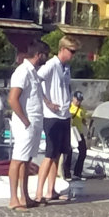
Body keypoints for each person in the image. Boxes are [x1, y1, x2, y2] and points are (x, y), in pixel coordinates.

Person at [7, 40, 52, 210]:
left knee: (26, 160)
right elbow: (12, 98)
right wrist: (25, 120)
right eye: (45, 55)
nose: (46, 60)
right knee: (18, 160)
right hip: (25, 123)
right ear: (39, 55)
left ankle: (24, 196)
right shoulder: (23, 72)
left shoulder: (33, 73)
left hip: (34, 123)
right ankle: (13, 199)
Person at [35, 36, 78, 203]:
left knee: (58, 153)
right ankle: (39, 192)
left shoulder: (66, 67)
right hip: (52, 116)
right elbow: (37, 80)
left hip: (64, 115)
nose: (73, 55)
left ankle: (50, 190)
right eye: (71, 51)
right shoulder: (51, 65)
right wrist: (47, 102)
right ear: (63, 49)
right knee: (49, 153)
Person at [64, 91, 90, 180]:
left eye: (80, 100)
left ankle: (77, 172)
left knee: (83, 152)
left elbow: (83, 118)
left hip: (78, 132)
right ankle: (67, 173)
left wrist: (86, 124)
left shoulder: (81, 108)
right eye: (77, 100)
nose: (79, 102)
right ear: (73, 98)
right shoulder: (69, 107)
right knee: (69, 152)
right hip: (70, 132)